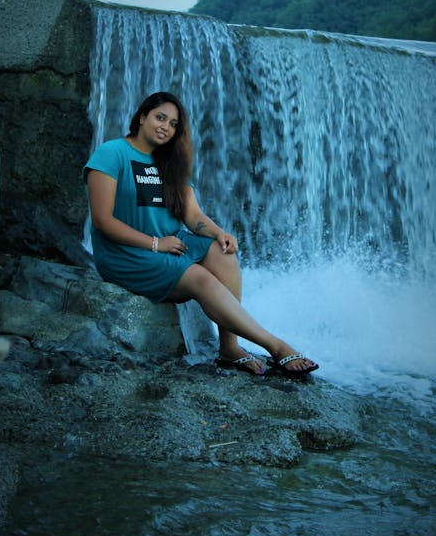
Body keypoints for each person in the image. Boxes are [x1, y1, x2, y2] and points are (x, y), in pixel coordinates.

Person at [84, 91, 318, 378]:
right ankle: (277, 347)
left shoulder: (170, 163)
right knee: (201, 278)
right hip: (127, 253)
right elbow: (102, 220)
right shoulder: (111, 153)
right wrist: (156, 244)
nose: (165, 127)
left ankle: (229, 348)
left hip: (170, 245)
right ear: (142, 117)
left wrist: (220, 233)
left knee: (223, 252)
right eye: (160, 118)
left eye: (172, 124)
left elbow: (192, 216)